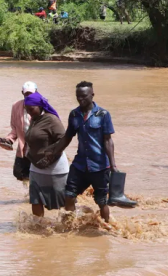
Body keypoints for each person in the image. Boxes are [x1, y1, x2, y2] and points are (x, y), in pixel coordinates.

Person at [47, 82, 127, 223]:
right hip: (80, 165)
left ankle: (107, 227)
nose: (80, 99)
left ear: (92, 95)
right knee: (69, 195)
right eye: (78, 96)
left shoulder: (103, 115)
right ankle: (69, 227)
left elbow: (108, 140)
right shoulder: (74, 114)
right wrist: (54, 152)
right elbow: (67, 137)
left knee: (102, 201)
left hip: (100, 167)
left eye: (84, 96)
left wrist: (113, 166)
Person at [23, 92, 69, 217]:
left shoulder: (51, 120)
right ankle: (39, 228)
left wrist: (50, 155)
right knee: (35, 200)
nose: (29, 113)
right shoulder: (34, 120)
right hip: (36, 167)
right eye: (27, 110)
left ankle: (69, 230)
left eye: (31, 109)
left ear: (40, 106)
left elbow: (64, 140)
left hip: (56, 168)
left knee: (64, 202)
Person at [1, 82, 38, 181]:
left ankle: (34, 194)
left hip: (38, 148)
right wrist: (8, 140)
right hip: (24, 147)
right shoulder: (16, 106)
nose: (29, 96)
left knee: (37, 175)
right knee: (19, 172)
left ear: (36, 93)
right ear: (22, 93)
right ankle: (29, 194)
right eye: (27, 94)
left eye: (32, 94)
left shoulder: (42, 106)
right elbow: (15, 129)